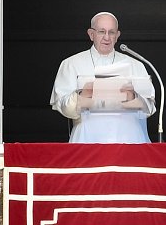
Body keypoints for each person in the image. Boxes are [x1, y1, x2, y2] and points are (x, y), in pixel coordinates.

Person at [50, 12, 156, 143]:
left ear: (117, 36)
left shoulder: (136, 64)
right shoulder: (71, 64)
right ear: (91, 34)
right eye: (101, 31)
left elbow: (150, 110)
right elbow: (65, 110)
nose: (107, 37)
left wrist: (132, 98)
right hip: (87, 139)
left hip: (130, 140)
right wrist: (83, 95)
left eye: (111, 32)